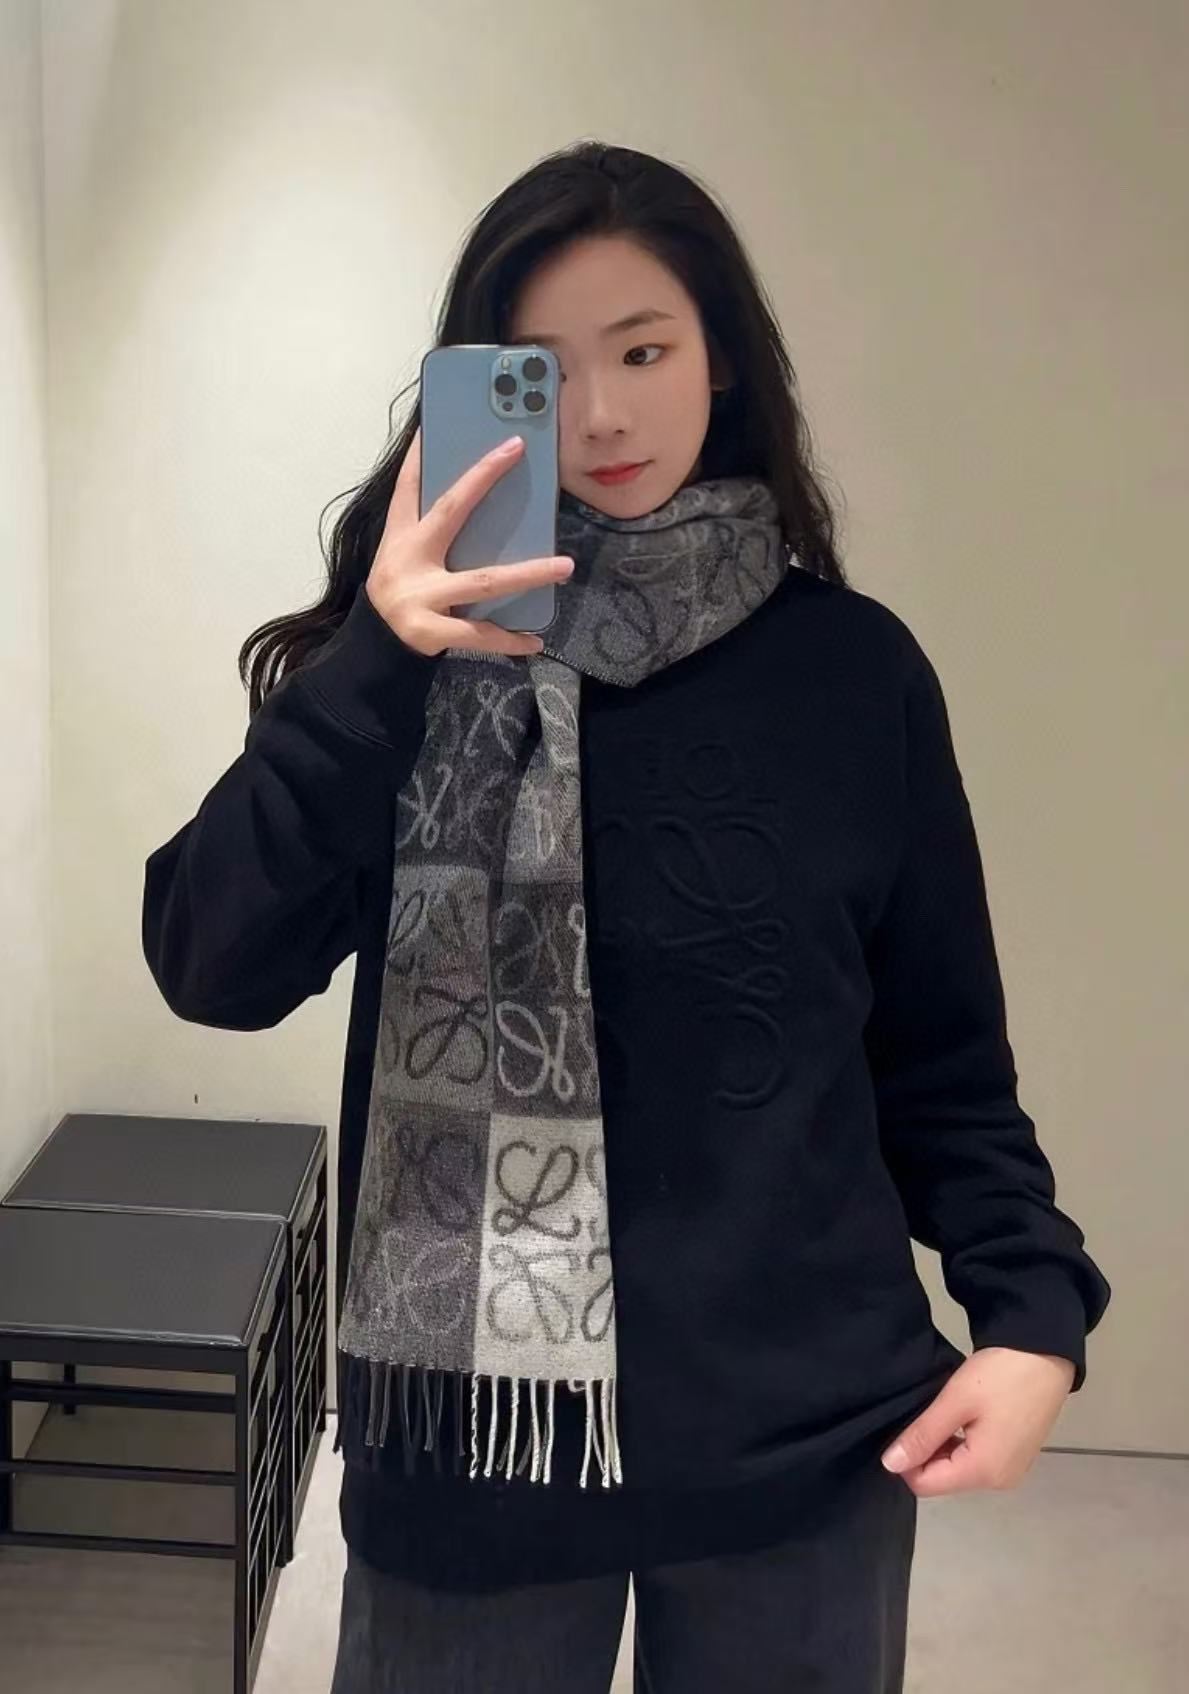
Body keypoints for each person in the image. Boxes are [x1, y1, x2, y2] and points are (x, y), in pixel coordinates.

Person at [141, 141, 1111, 1693]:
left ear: (720, 358)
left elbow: (937, 1055)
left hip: (803, 1450)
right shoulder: (405, 670)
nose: (596, 414)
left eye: (643, 351)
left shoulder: (850, 674)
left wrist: (1031, 1312)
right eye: (539, 370)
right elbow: (211, 961)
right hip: (472, 1455)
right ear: (476, 389)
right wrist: (379, 663)